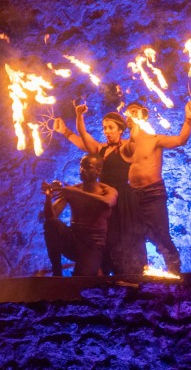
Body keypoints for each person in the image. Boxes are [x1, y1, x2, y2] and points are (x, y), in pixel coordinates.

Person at [55, 104, 147, 275]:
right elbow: (83, 136)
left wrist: (135, 122)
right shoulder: (101, 149)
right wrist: (78, 116)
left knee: (122, 236)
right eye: (104, 128)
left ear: (120, 130)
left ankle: (129, 273)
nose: (107, 131)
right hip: (103, 196)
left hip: (122, 199)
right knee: (105, 237)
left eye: (111, 127)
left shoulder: (126, 148)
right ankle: (104, 271)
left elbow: (134, 138)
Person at [122, 100, 191, 275]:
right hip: (132, 196)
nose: (130, 117)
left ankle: (175, 272)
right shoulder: (125, 146)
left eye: (134, 112)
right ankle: (139, 274)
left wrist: (188, 119)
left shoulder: (154, 139)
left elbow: (180, 140)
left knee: (161, 234)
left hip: (153, 193)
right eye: (128, 113)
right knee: (135, 236)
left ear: (144, 115)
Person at [41, 154, 118, 277]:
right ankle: (57, 272)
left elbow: (107, 202)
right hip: (73, 241)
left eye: (87, 167)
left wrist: (76, 193)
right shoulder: (73, 190)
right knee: (51, 224)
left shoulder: (107, 190)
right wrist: (48, 197)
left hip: (92, 246)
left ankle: (94, 268)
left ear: (98, 170)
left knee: (81, 282)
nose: (82, 170)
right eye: (81, 166)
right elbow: (51, 216)